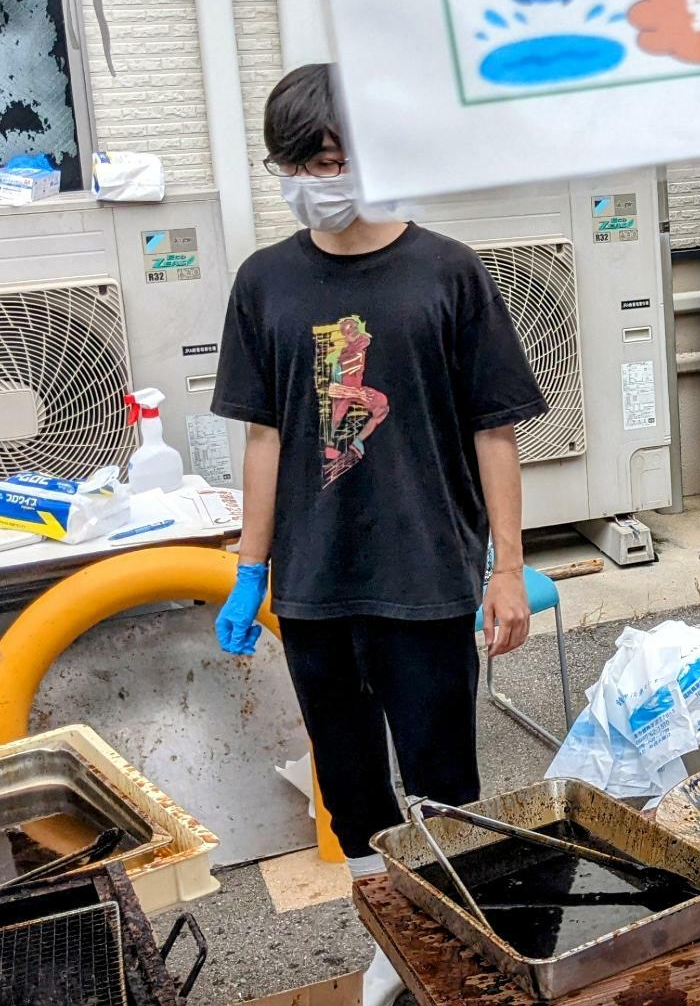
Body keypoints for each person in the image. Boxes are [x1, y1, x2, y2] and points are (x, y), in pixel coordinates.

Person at [210, 63, 546, 1005]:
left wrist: (508, 569)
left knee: (443, 783)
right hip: (313, 587)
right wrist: (249, 570)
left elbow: (495, 431)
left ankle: (455, 936)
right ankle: (389, 939)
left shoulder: (449, 273)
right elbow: (267, 433)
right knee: (350, 791)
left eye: (330, 159)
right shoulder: (264, 281)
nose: (315, 180)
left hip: (427, 575)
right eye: (297, 163)